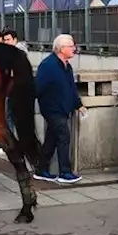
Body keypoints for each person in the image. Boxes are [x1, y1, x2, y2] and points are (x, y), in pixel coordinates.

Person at [35, 34, 86, 184]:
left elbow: (71, 88)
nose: (74, 49)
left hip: (64, 108)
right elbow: (38, 87)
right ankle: (65, 172)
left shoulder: (67, 66)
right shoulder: (48, 65)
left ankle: (41, 170)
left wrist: (78, 104)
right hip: (53, 109)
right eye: (71, 46)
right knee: (64, 137)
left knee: (51, 139)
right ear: (61, 49)